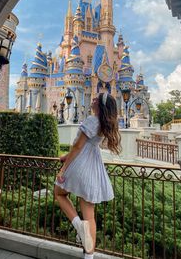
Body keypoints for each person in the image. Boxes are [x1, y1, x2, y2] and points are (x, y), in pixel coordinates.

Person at [54, 92, 121, 259]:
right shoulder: (104, 124)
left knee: (59, 193)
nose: (92, 100)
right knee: (89, 215)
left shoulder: (92, 120)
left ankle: (78, 225)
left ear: (99, 105)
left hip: (80, 164)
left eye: (96, 99)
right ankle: (89, 257)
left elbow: (77, 147)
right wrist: (65, 157)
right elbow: (90, 145)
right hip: (93, 166)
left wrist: (63, 169)